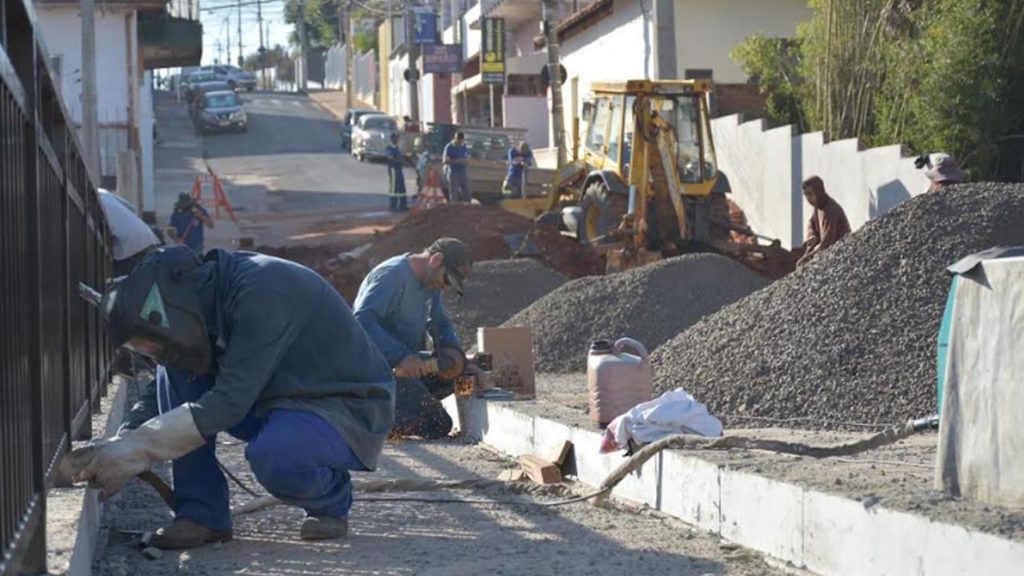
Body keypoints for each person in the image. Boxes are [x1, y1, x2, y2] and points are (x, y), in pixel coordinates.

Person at [63, 246, 395, 549]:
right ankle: (201, 516)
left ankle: (331, 502)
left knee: (276, 455)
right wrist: (126, 436)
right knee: (177, 366)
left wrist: (139, 449)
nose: (153, 352)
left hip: (340, 403)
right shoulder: (206, 294)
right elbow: (169, 385)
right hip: (275, 396)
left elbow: (230, 401)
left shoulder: (263, 292)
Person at [352, 238, 473, 439]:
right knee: (439, 424)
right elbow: (362, 321)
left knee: (462, 379)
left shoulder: (430, 284)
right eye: (446, 280)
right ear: (436, 260)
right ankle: (363, 416)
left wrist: (456, 357)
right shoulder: (392, 276)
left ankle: (402, 405)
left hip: (407, 366)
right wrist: (401, 356)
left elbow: (440, 323)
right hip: (378, 370)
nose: (444, 287)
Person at [97, 188, 162, 276]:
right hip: (147, 236)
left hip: (128, 247)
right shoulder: (103, 193)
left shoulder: (94, 197)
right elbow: (132, 208)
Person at [796, 176, 850, 267]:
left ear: (818, 191)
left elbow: (827, 243)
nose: (808, 199)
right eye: (806, 195)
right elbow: (811, 223)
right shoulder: (818, 206)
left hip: (841, 255)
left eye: (810, 194)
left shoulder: (830, 211)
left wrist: (807, 259)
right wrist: (812, 235)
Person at [442, 132, 471, 203]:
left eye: (461, 141)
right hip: (453, 172)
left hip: (463, 171)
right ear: (455, 139)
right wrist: (457, 161)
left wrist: (465, 161)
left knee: (466, 189)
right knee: (453, 191)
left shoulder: (464, 146)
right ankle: (454, 205)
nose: (460, 143)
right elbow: (445, 160)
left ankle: (467, 204)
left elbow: (467, 158)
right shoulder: (449, 147)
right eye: (458, 141)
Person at [386, 133, 408, 212]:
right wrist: (400, 161)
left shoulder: (397, 148)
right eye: (395, 138)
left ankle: (403, 205)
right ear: (392, 139)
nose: (397, 140)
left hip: (399, 169)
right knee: (394, 188)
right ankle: (393, 205)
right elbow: (391, 159)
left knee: (402, 187)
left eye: (397, 139)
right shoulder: (389, 148)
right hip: (393, 169)